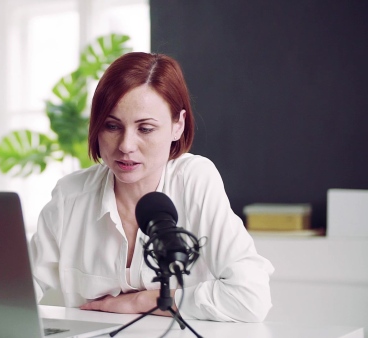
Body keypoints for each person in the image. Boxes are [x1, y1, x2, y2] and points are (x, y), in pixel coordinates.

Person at [29, 52, 274, 323]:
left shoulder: (194, 181)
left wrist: (142, 301)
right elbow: (16, 290)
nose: (125, 145)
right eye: (112, 126)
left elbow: (250, 298)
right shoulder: (70, 196)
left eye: (145, 129)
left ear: (177, 126)